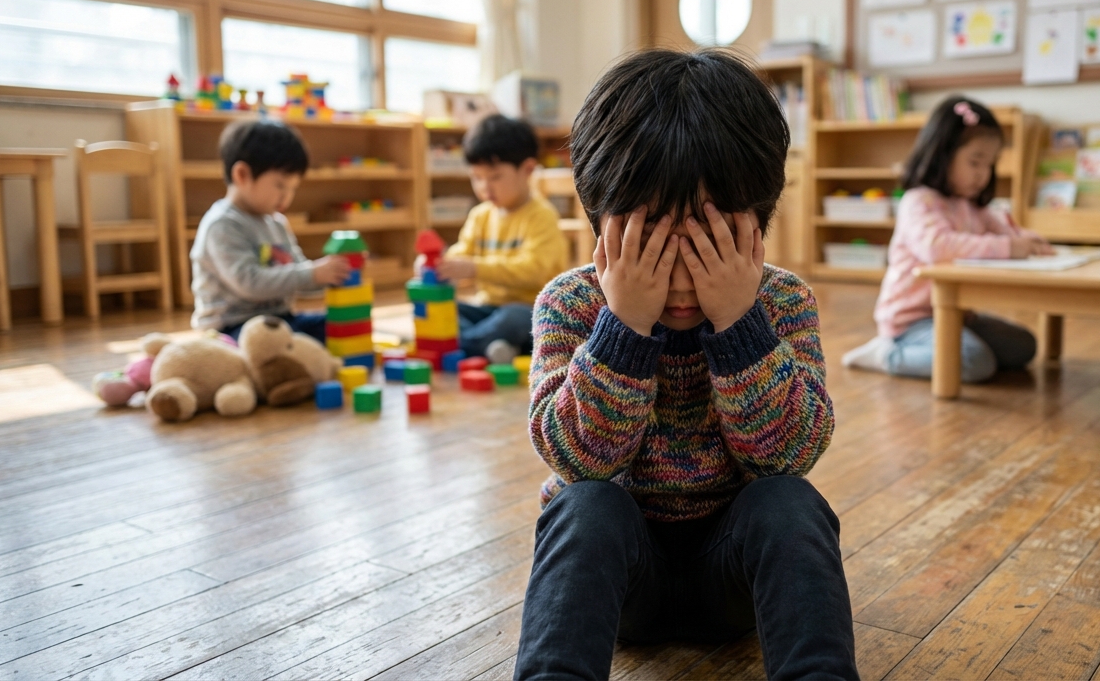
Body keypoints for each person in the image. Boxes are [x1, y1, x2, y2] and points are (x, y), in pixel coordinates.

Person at [514, 49, 856, 680]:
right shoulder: (572, 301)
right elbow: (577, 459)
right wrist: (623, 329)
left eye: (706, 245)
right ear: (601, 224)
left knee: (791, 504)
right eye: (647, 244)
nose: (677, 279)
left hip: (733, 580)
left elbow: (790, 456)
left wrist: (740, 326)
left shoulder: (779, 301)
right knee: (584, 506)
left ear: (757, 226)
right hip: (624, 586)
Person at [841, 96, 1050, 383]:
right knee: (974, 362)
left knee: (1023, 346)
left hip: (957, 313)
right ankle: (887, 354)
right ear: (943, 153)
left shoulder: (972, 204)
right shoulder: (919, 202)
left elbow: (1007, 232)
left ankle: (948, 347)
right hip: (910, 322)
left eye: (990, 164)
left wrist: (1031, 241)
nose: (983, 174)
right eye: (975, 162)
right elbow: (937, 247)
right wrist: (1009, 247)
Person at [191, 119, 351, 342]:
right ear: (242, 175)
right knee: (268, 343)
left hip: (280, 320)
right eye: (280, 186)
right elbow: (250, 283)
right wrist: (312, 273)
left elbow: (298, 275)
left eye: (293, 189)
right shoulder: (222, 224)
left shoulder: (277, 223)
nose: (287, 197)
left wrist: (329, 277)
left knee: (335, 326)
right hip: (232, 328)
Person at [427, 115, 570, 362]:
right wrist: (440, 265)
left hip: (532, 310)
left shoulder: (541, 215)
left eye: (494, 177)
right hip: (488, 310)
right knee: (448, 310)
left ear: (527, 170)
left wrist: (475, 268)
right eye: (477, 177)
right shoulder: (480, 215)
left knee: (514, 318)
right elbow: (462, 253)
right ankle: (492, 346)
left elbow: (534, 270)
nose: (485, 187)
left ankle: (462, 346)